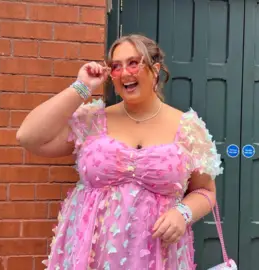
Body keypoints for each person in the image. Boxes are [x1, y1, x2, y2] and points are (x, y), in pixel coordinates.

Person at [16, 34, 223, 270]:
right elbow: (28, 137)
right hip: (90, 256)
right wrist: (82, 86)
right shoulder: (92, 121)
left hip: (157, 255)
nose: (125, 73)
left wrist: (183, 213)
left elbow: (205, 191)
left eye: (134, 63)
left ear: (155, 70)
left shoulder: (188, 129)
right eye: (116, 66)